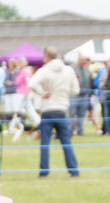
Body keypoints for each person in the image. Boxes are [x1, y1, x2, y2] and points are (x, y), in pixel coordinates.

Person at [28, 46, 79, 178]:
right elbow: (76, 90)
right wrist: (64, 95)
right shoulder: (69, 70)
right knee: (66, 142)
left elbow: (32, 84)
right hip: (62, 110)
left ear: (46, 57)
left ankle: (44, 172)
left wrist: (43, 93)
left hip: (47, 110)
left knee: (45, 143)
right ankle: (73, 170)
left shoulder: (44, 71)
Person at [70, 55, 92, 136]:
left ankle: (80, 131)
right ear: (79, 60)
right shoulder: (71, 68)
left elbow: (89, 81)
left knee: (81, 115)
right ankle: (71, 130)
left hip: (84, 96)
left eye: (85, 61)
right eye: (83, 61)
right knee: (72, 114)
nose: (84, 63)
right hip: (74, 96)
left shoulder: (86, 70)